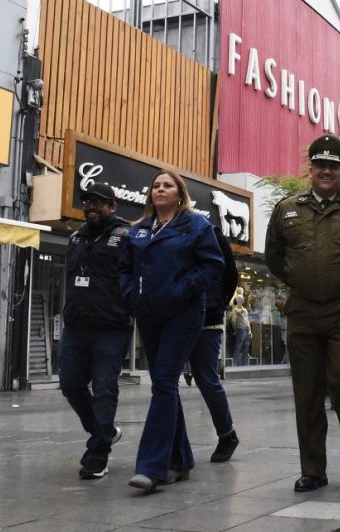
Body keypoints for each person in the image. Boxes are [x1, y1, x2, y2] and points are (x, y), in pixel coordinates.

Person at [265, 135, 340, 492]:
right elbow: (274, 258)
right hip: (302, 310)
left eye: (333, 166)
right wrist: (302, 282)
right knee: (307, 391)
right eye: (320, 165)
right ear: (311, 168)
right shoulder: (287, 208)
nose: (326, 171)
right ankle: (313, 469)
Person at [120, 170, 224, 492]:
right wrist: (131, 295)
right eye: (156, 185)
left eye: (168, 185)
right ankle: (180, 460)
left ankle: (153, 467)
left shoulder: (196, 225)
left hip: (184, 313)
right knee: (166, 387)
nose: (160, 189)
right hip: (149, 315)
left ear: (180, 194)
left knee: (163, 382)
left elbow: (213, 266)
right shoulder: (138, 231)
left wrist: (181, 290)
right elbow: (124, 269)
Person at [60, 182, 131, 480]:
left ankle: (98, 452)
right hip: (76, 327)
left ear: (112, 206)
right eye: (87, 202)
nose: (91, 207)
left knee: (104, 389)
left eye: (98, 202)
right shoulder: (76, 238)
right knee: (69, 384)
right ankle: (104, 431)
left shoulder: (125, 236)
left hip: (110, 328)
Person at [187, 228, 241, 463]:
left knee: (206, 378)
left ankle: (227, 433)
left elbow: (230, 273)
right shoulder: (162, 228)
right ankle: (169, 443)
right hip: (171, 313)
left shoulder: (208, 231)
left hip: (207, 315)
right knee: (164, 381)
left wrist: (217, 303)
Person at [230, 295, 251, 366]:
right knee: (238, 347)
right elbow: (233, 321)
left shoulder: (244, 310)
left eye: (242, 299)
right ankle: (234, 364)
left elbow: (247, 321)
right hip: (241, 329)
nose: (242, 300)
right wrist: (235, 329)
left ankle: (245, 364)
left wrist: (250, 331)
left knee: (246, 348)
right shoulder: (235, 310)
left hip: (246, 329)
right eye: (240, 299)